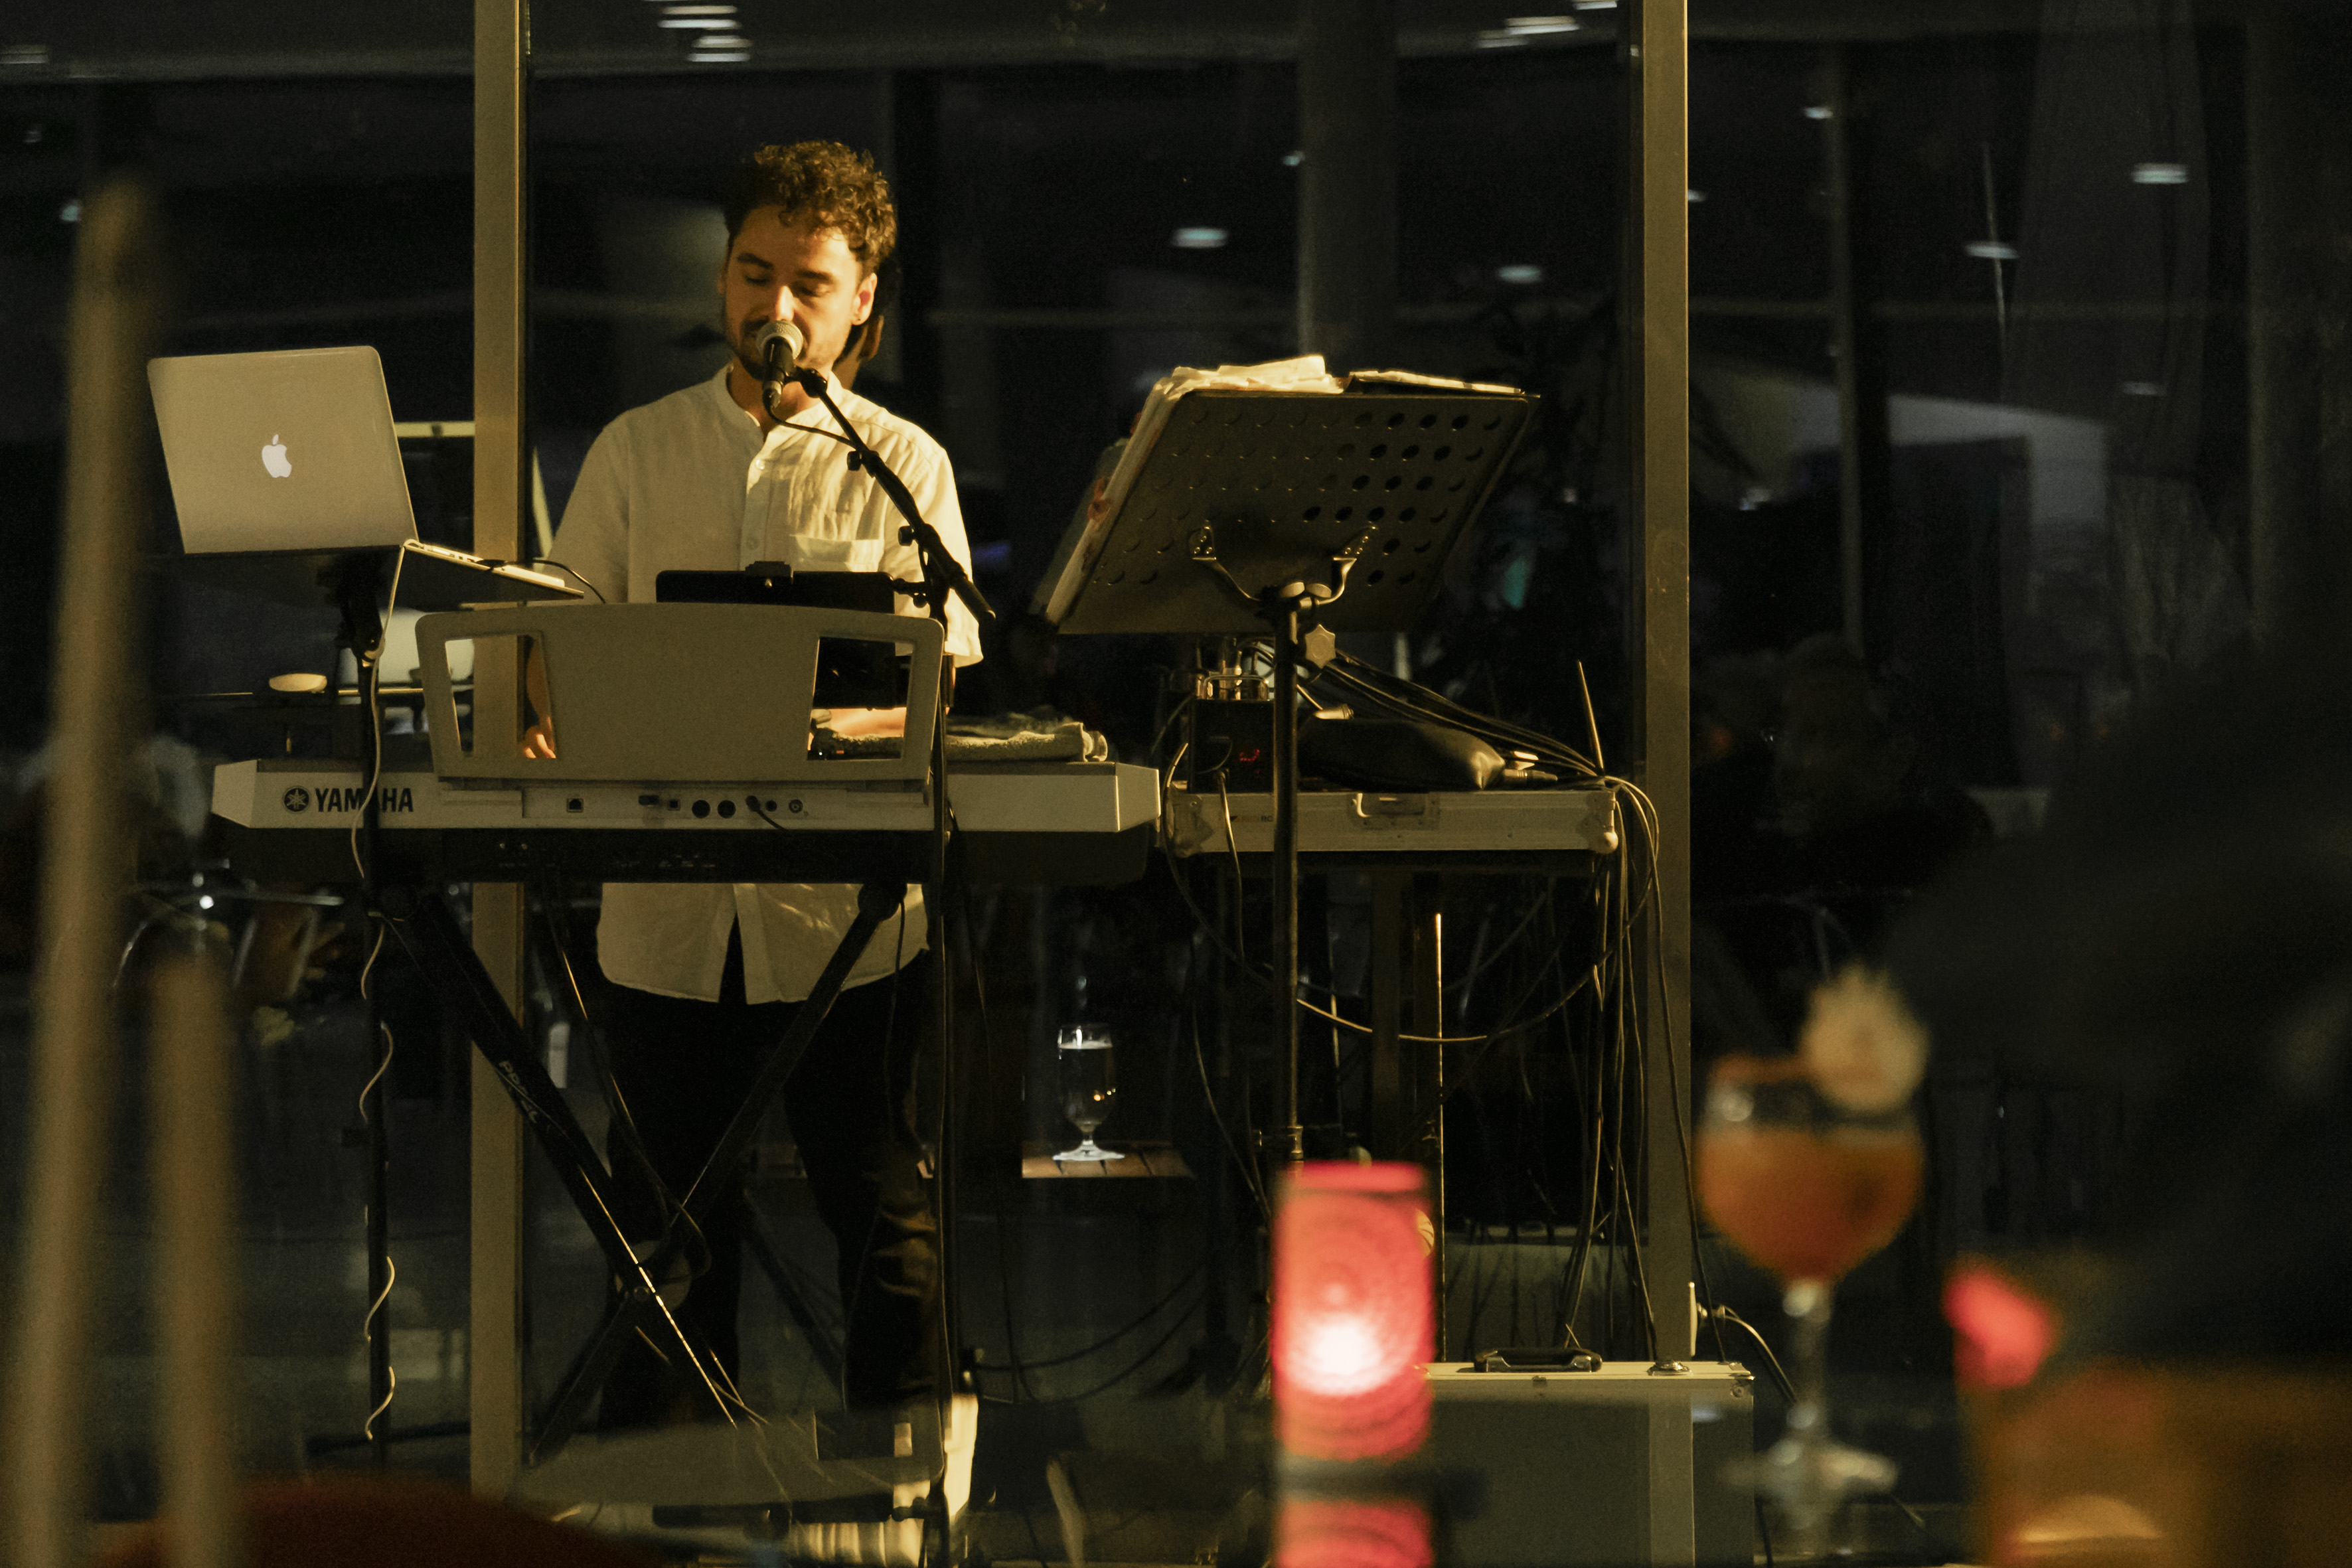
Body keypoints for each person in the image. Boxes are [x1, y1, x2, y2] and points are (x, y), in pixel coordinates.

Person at [550, 141, 981, 1432]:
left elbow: (938, 671)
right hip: (664, 920)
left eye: (808, 282)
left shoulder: (906, 461)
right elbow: (566, 642)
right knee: (665, 1225)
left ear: (862, 308)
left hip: (844, 919)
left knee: (883, 1215)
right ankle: (671, 1503)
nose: (774, 307)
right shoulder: (637, 449)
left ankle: (907, 1493)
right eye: (753, 272)